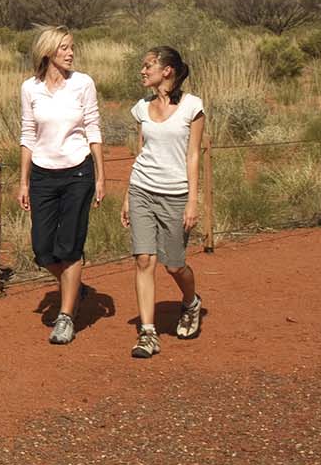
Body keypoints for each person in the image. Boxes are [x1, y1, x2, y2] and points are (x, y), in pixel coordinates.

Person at [16, 26, 103, 345]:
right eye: (64, 47)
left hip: (78, 172)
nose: (70, 52)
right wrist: (23, 181)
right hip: (42, 174)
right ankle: (73, 287)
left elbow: (93, 128)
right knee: (43, 249)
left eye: (72, 47)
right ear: (48, 51)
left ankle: (66, 316)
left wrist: (101, 175)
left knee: (69, 246)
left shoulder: (83, 84)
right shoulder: (30, 88)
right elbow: (27, 134)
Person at [121, 45, 206, 358]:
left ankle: (190, 302)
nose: (143, 71)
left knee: (174, 265)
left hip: (175, 193)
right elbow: (140, 152)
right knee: (144, 260)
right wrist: (129, 197)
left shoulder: (192, 107)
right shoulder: (141, 108)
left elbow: (193, 155)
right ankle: (148, 333)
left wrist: (192, 200)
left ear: (166, 70)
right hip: (142, 189)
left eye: (148, 66)